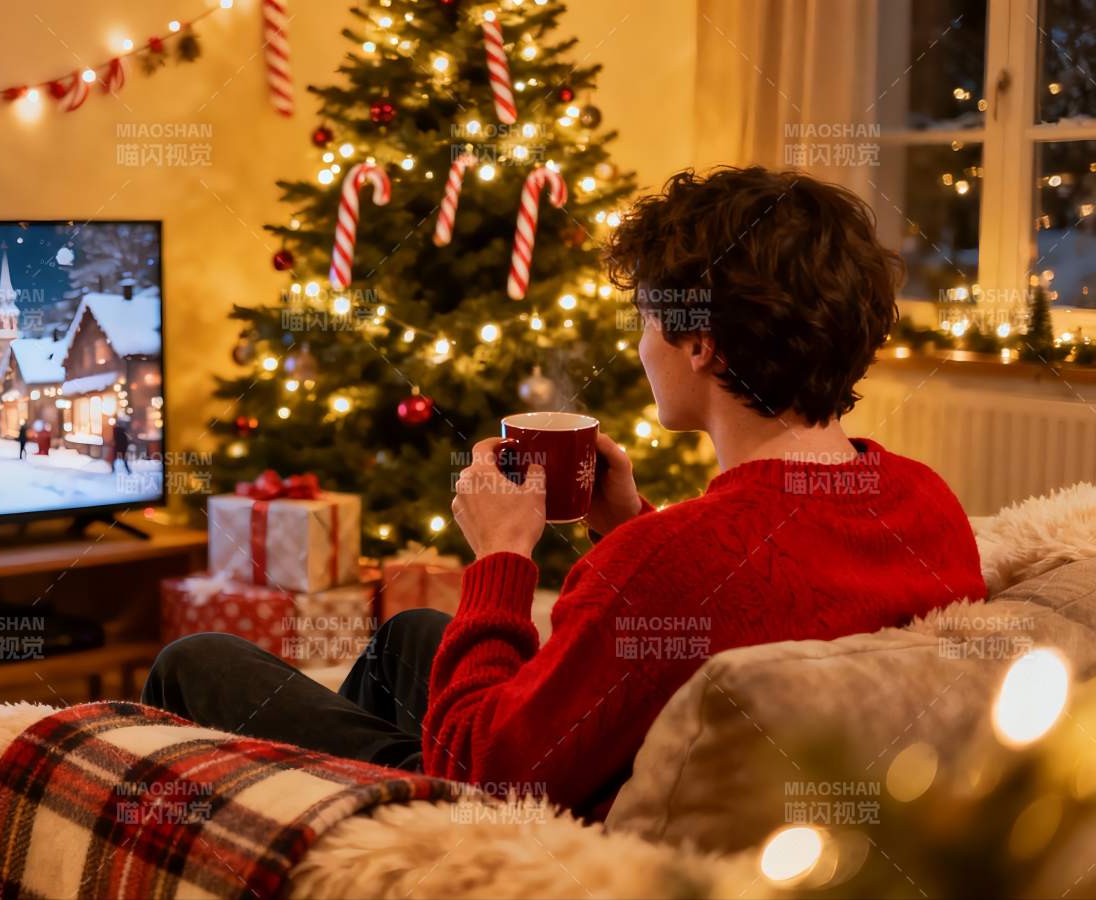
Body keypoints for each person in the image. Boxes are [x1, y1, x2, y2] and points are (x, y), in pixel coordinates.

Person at [142, 167, 988, 819]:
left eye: (649, 319)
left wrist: (503, 559)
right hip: (663, 779)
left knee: (197, 662)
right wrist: (628, 525)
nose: (643, 344)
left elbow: (484, 777)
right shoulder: (922, 501)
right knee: (411, 636)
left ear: (701, 343)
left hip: (515, 827)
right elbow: (756, 602)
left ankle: (329, 845)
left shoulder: (672, 564)